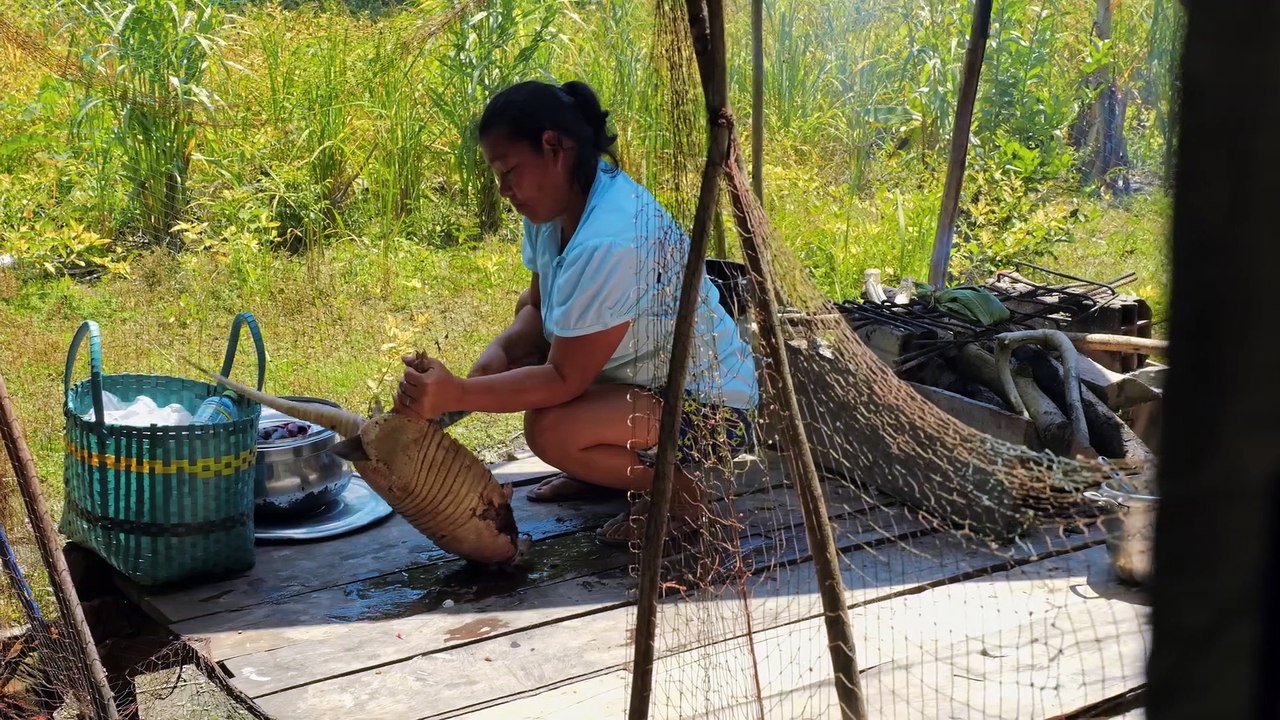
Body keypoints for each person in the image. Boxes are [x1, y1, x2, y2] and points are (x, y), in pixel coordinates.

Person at [393, 79, 758, 547]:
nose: (503, 190)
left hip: (713, 411)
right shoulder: (555, 209)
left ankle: (681, 495)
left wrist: (460, 392)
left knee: (551, 430)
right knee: (522, 368)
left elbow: (564, 378)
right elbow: (537, 310)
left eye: (508, 171)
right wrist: (499, 353)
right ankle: (607, 473)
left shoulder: (609, 237)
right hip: (643, 386)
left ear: (553, 146)